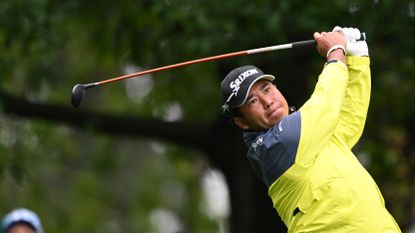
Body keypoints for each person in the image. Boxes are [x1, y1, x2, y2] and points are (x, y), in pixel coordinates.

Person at [220, 26, 402, 232]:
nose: (267, 101)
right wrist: (335, 53)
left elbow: (347, 119)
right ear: (242, 122)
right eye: (252, 101)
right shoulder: (276, 144)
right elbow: (325, 103)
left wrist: (356, 57)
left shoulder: (312, 134)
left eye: (266, 89)